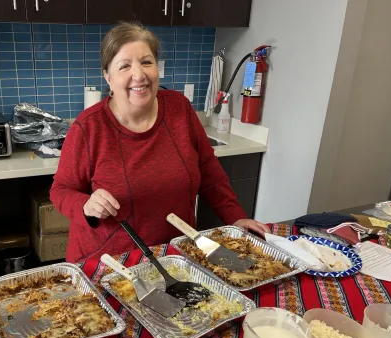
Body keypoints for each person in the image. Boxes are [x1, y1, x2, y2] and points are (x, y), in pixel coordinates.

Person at [50, 22, 269, 263]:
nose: (139, 75)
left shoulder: (179, 109)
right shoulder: (88, 128)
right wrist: (86, 205)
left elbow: (209, 171)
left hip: (175, 256)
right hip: (110, 264)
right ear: (108, 77)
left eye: (146, 62)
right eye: (125, 66)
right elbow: (60, 190)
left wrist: (235, 218)